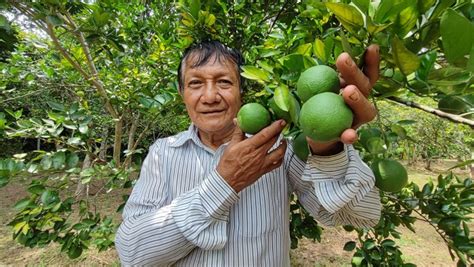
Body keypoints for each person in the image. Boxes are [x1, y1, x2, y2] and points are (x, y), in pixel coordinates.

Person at [115, 40, 382, 266]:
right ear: (182, 92)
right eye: (195, 83)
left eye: (223, 82)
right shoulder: (164, 153)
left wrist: (327, 146)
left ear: (241, 91)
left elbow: (359, 215)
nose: (209, 96)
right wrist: (224, 183)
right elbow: (132, 253)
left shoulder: (278, 148)